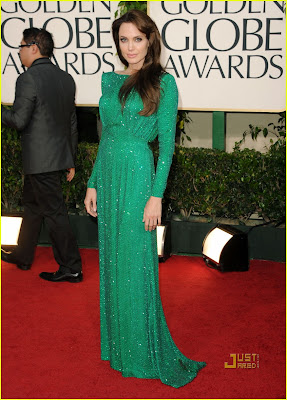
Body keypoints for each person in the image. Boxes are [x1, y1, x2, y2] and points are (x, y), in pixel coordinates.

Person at [84, 10, 206, 387]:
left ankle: (140, 350)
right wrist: (91, 183)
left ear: (150, 40)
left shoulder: (163, 83)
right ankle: (119, 346)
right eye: (123, 39)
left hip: (139, 175)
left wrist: (156, 197)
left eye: (137, 38)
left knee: (133, 262)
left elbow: (167, 147)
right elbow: (105, 137)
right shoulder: (109, 79)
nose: (130, 46)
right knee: (111, 261)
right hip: (108, 173)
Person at [1, 28, 82, 283]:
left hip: (40, 161)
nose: (19, 51)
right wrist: (70, 159)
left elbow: (18, 120)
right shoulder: (66, 78)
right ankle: (24, 255)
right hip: (55, 157)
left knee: (55, 213)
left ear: (34, 47)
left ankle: (71, 267)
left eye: (22, 46)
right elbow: (71, 122)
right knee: (34, 207)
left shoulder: (28, 78)